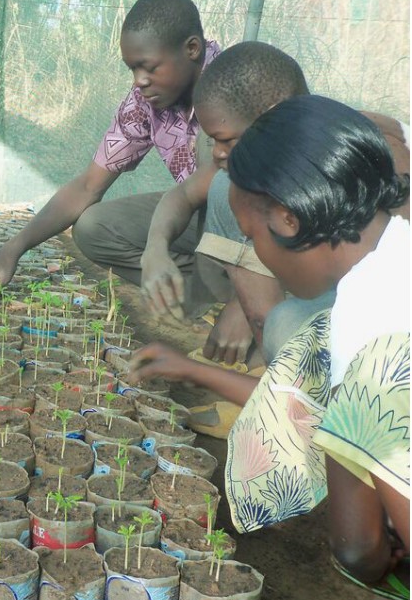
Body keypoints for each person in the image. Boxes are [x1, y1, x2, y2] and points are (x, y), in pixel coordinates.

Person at [132, 95, 409, 600]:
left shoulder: (371, 320)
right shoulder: (395, 257)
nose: (252, 251)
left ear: (286, 219)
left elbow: (357, 547)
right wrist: (189, 370)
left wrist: (379, 554)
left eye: (249, 235)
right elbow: (306, 404)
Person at [141, 41, 410, 365]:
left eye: (226, 140)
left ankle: (282, 375)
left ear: (271, 116)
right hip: (348, 296)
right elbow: (183, 194)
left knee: (285, 327)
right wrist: (155, 249)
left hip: (386, 324)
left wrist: (248, 309)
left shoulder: (369, 149)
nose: (217, 152)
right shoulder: (287, 139)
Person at [0, 0, 223, 321]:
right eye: (132, 69)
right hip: (203, 217)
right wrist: (11, 249)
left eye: (148, 68)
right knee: (93, 226)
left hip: (255, 227)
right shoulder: (145, 102)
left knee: (209, 152)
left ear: (192, 49)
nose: (140, 82)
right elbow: (89, 186)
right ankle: (205, 296)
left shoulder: (237, 83)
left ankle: (250, 298)